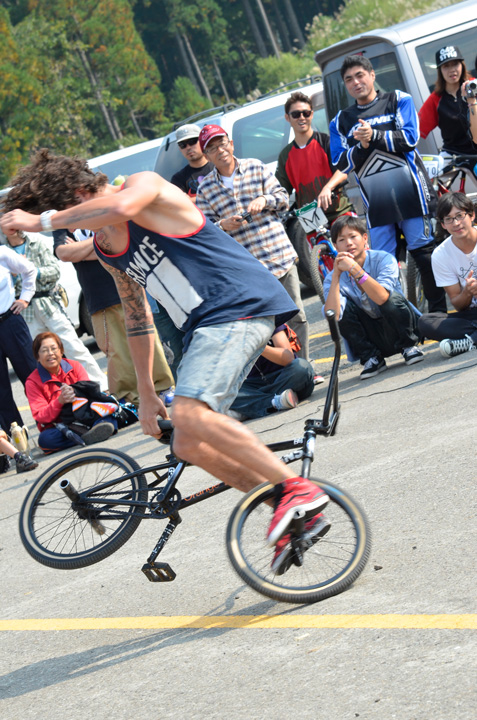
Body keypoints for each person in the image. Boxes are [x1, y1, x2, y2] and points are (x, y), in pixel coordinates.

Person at [1, 149, 330, 573]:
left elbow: (120, 206)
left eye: (71, 215)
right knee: (187, 441)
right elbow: (137, 320)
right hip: (206, 326)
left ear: (82, 194)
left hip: (237, 305)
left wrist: (38, 221)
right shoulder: (106, 247)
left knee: (193, 413)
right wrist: (146, 392)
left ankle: (295, 489)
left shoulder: (143, 187)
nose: (73, 227)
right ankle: (289, 513)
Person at [329, 54, 447, 315]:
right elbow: (338, 163)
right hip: (377, 206)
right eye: (349, 79)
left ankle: (438, 316)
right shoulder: (340, 120)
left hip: (412, 197)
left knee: (425, 257)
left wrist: (374, 136)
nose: (356, 82)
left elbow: (410, 138)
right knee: (383, 267)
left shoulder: (397, 99)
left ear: (372, 75)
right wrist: (361, 145)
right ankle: (403, 324)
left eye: (360, 75)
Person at [196, 124, 310, 360]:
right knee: (267, 324)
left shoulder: (255, 167)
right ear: (207, 156)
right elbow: (204, 231)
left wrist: (264, 199)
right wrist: (222, 225)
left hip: (278, 255)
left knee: (296, 314)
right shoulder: (205, 188)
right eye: (213, 148)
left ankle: (306, 367)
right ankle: (288, 372)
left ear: (232, 144)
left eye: (223, 143)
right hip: (248, 269)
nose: (220, 150)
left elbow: (283, 199)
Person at [53, 227, 173, 405]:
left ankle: (163, 387)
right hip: (97, 296)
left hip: (128, 285)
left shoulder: (96, 211)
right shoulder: (62, 223)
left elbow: (118, 241)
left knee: (148, 339)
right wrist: (100, 246)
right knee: (115, 349)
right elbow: (64, 253)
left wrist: (80, 251)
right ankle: (130, 397)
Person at [3, 229, 108, 390]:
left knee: (72, 345)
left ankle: (99, 385)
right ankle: (62, 394)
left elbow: (54, 271)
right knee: (43, 356)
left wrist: (31, 270)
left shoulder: (36, 242)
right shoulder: (5, 251)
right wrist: (16, 275)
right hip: (27, 311)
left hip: (48, 304)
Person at [324, 215, 424, 379]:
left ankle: (409, 346)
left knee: (391, 298)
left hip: (398, 328)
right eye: (342, 240)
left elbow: (382, 298)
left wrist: (356, 270)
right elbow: (333, 316)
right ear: (335, 246)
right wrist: (336, 276)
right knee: (341, 309)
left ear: (364, 238)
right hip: (373, 336)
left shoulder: (384, 259)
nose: (348, 243)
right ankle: (371, 357)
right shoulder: (331, 278)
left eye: (353, 236)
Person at [25, 331, 118, 453]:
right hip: (60, 426)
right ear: (37, 356)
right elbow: (41, 416)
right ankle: (90, 434)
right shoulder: (32, 382)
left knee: (109, 415)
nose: (50, 353)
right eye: (44, 350)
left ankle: (82, 436)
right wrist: (60, 401)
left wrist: (76, 392)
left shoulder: (75, 366)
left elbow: (90, 395)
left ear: (61, 351)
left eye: (54, 348)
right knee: (45, 440)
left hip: (84, 416)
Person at [276, 91, 353, 221]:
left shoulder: (326, 142)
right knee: (319, 243)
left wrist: (328, 187)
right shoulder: (285, 155)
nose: (301, 118)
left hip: (339, 210)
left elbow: (343, 170)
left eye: (306, 113)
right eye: (295, 114)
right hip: (309, 216)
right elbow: (281, 191)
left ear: (311, 115)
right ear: (287, 118)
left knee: (350, 241)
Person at [418, 192, 477, 358]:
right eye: (449, 219)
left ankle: (471, 340)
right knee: (425, 322)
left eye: (460, 215)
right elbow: (458, 304)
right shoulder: (440, 254)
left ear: (472, 215)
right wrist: (467, 292)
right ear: (443, 224)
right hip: (471, 315)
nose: (456, 223)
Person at [229, 325, 315, 420]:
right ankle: (275, 401)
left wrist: (260, 347)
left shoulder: (269, 319)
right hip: (257, 383)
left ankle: (259, 404)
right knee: (226, 391)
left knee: (302, 367)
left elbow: (288, 358)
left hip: (285, 376)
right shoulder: (228, 334)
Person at [0, 244, 37, 435]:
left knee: (32, 376)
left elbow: (30, 270)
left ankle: (53, 425)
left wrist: (25, 298)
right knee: (1, 393)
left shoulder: (2, 253)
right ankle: (18, 445)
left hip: (10, 321)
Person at [419, 45, 476, 157]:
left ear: (462, 65)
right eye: (446, 66)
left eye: (455, 64)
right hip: (453, 157)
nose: (452, 70)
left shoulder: (474, 85)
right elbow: (414, 128)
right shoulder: (435, 99)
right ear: (440, 70)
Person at [170, 124, 214, 202]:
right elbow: (182, 204)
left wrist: (192, 200)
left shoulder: (218, 166)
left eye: (192, 141)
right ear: (179, 149)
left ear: (202, 141)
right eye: (182, 145)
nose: (188, 147)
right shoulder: (178, 179)